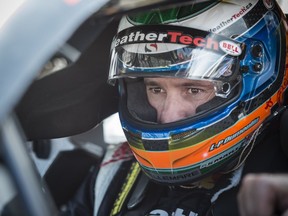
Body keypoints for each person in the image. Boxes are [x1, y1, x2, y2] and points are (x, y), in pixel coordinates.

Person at [62, 0, 288, 215]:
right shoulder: (112, 173)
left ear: (261, 73)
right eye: (155, 89)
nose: (168, 115)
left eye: (194, 90)